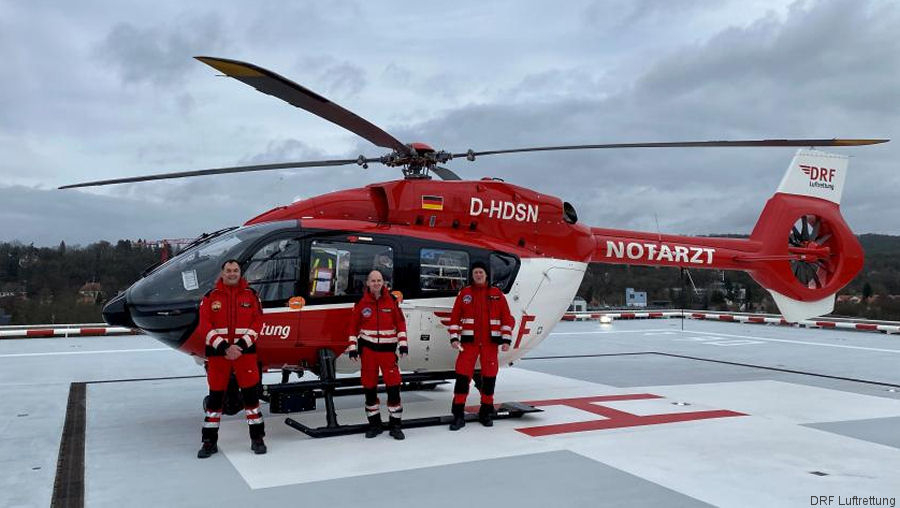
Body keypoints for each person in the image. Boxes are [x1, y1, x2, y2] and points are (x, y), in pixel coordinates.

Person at [195, 259, 266, 458]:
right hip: (219, 355)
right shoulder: (211, 297)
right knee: (215, 400)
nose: (232, 274)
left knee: (251, 397)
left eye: (235, 270)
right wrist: (225, 347)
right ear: (222, 273)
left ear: (240, 273)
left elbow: (258, 322)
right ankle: (209, 442)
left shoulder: (251, 296)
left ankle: (257, 438)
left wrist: (241, 345)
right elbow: (204, 325)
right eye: (229, 271)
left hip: (245, 354)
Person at [447, 261, 514, 430]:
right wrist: (454, 338)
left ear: (486, 275)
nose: (478, 275)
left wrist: (506, 340)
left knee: (489, 379)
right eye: (476, 272)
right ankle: (458, 415)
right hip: (469, 344)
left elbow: (507, 319)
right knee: (462, 378)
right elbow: (455, 317)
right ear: (472, 275)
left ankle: (486, 412)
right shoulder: (465, 293)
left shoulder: (497, 294)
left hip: (490, 345)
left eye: (481, 272)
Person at [346, 270, 408, 440]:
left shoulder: (392, 301)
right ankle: (375, 425)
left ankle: (396, 426)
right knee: (369, 389)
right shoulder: (361, 303)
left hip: (388, 353)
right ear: (367, 283)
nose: (376, 283)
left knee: (394, 388)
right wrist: (352, 347)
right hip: (369, 353)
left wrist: (403, 345)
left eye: (379, 280)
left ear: (383, 282)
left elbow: (400, 323)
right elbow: (353, 327)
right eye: (373, 280)